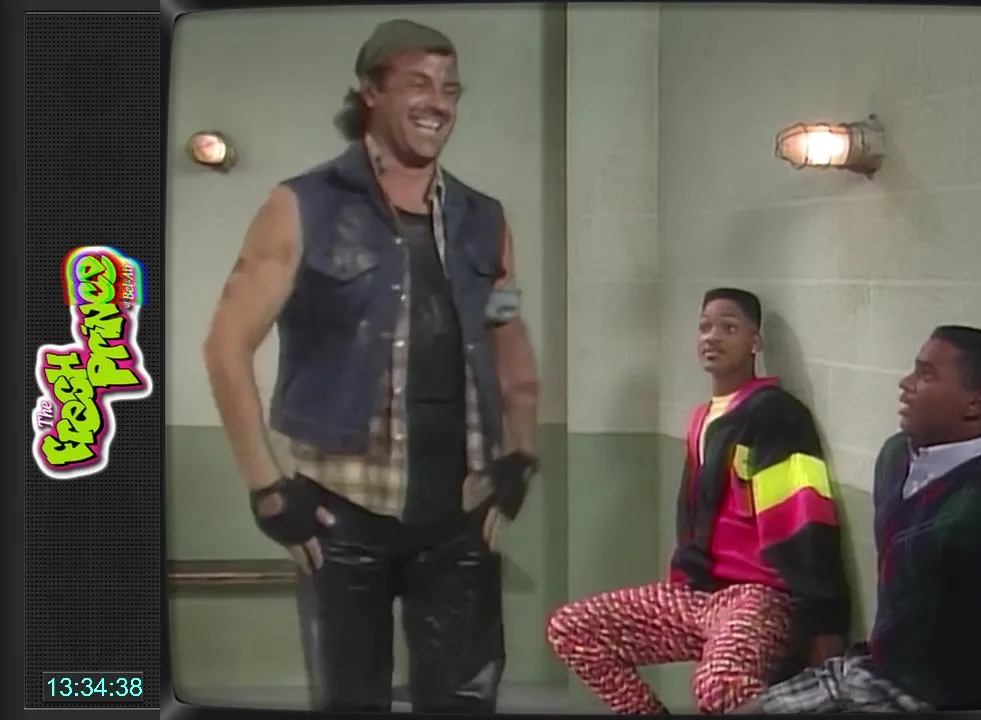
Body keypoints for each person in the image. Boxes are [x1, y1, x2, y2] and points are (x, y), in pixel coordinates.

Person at [202, 20, 540, 713]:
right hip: (341, 515)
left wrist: (523, 454)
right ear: (370, 92)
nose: (438, 101)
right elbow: (225, 346)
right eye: (418, 83)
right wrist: (267, 490)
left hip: (461, 514)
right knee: (350, 700)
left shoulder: (484, 218)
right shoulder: (301, 206)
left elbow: (508, 333)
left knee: (464, 700)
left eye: (450, 88)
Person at [546, 288, 852, 715]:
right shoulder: (703, 417)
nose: (712, 337)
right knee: (571, 628)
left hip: (760, 596)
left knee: (719, 686)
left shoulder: (774, 414)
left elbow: (804, 521)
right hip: (699, 595)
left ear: (754, 342)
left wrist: (823, 624)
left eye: (729, 328)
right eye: (705, 327)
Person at [734, 325, 981, 713]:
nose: (905, 384)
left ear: (975, 404)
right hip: (870, 669)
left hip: (927, 699)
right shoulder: (896, 457)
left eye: (926, 375)